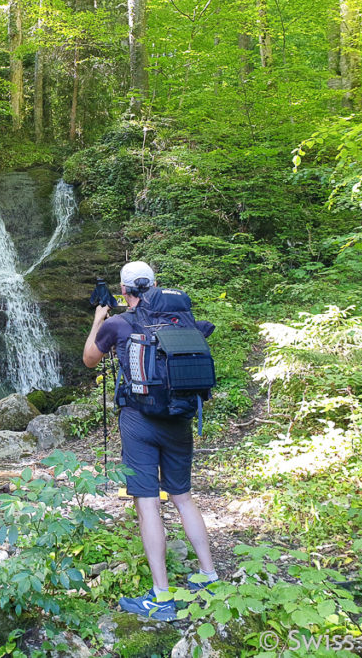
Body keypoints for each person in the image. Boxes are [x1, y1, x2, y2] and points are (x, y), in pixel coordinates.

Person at [82, 260, 218, 621]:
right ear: (156, 285)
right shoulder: (184, 322)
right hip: (179, 419)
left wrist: (99, 315)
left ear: (124, 292)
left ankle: (161, 596)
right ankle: (209, 576)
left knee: (147, 504)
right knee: (183, 498)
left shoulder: (119, 323)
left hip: (138, 422)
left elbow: (90, 359)